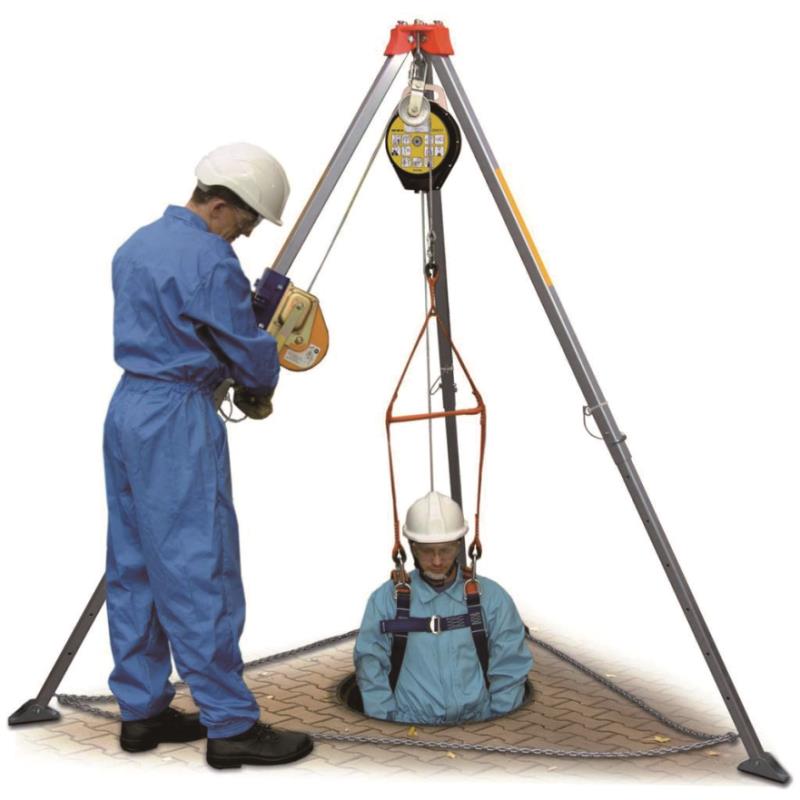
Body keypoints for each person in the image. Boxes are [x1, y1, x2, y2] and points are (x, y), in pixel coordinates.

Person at [104, 142, 313, 769]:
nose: (243, 236)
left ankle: (141, 712)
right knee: (201, 568)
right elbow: (246, 351)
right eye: (244, 223)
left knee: (135, 564)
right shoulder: (211, 260)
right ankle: (231, 725)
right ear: (220, 204)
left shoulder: (135, 246)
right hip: (176, 419)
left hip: (128, 409)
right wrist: (262, 375)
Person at [354, 491, 532, 724]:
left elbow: (510, 665)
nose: (437, 561)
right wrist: (387, 725)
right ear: (412, 548)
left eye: (446, 550)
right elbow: (370, 666)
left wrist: (498, 724)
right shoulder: (387, 601)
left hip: (478, 723)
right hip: (410, 726)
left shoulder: (491, 599)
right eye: (427, 551)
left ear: (459, 546)